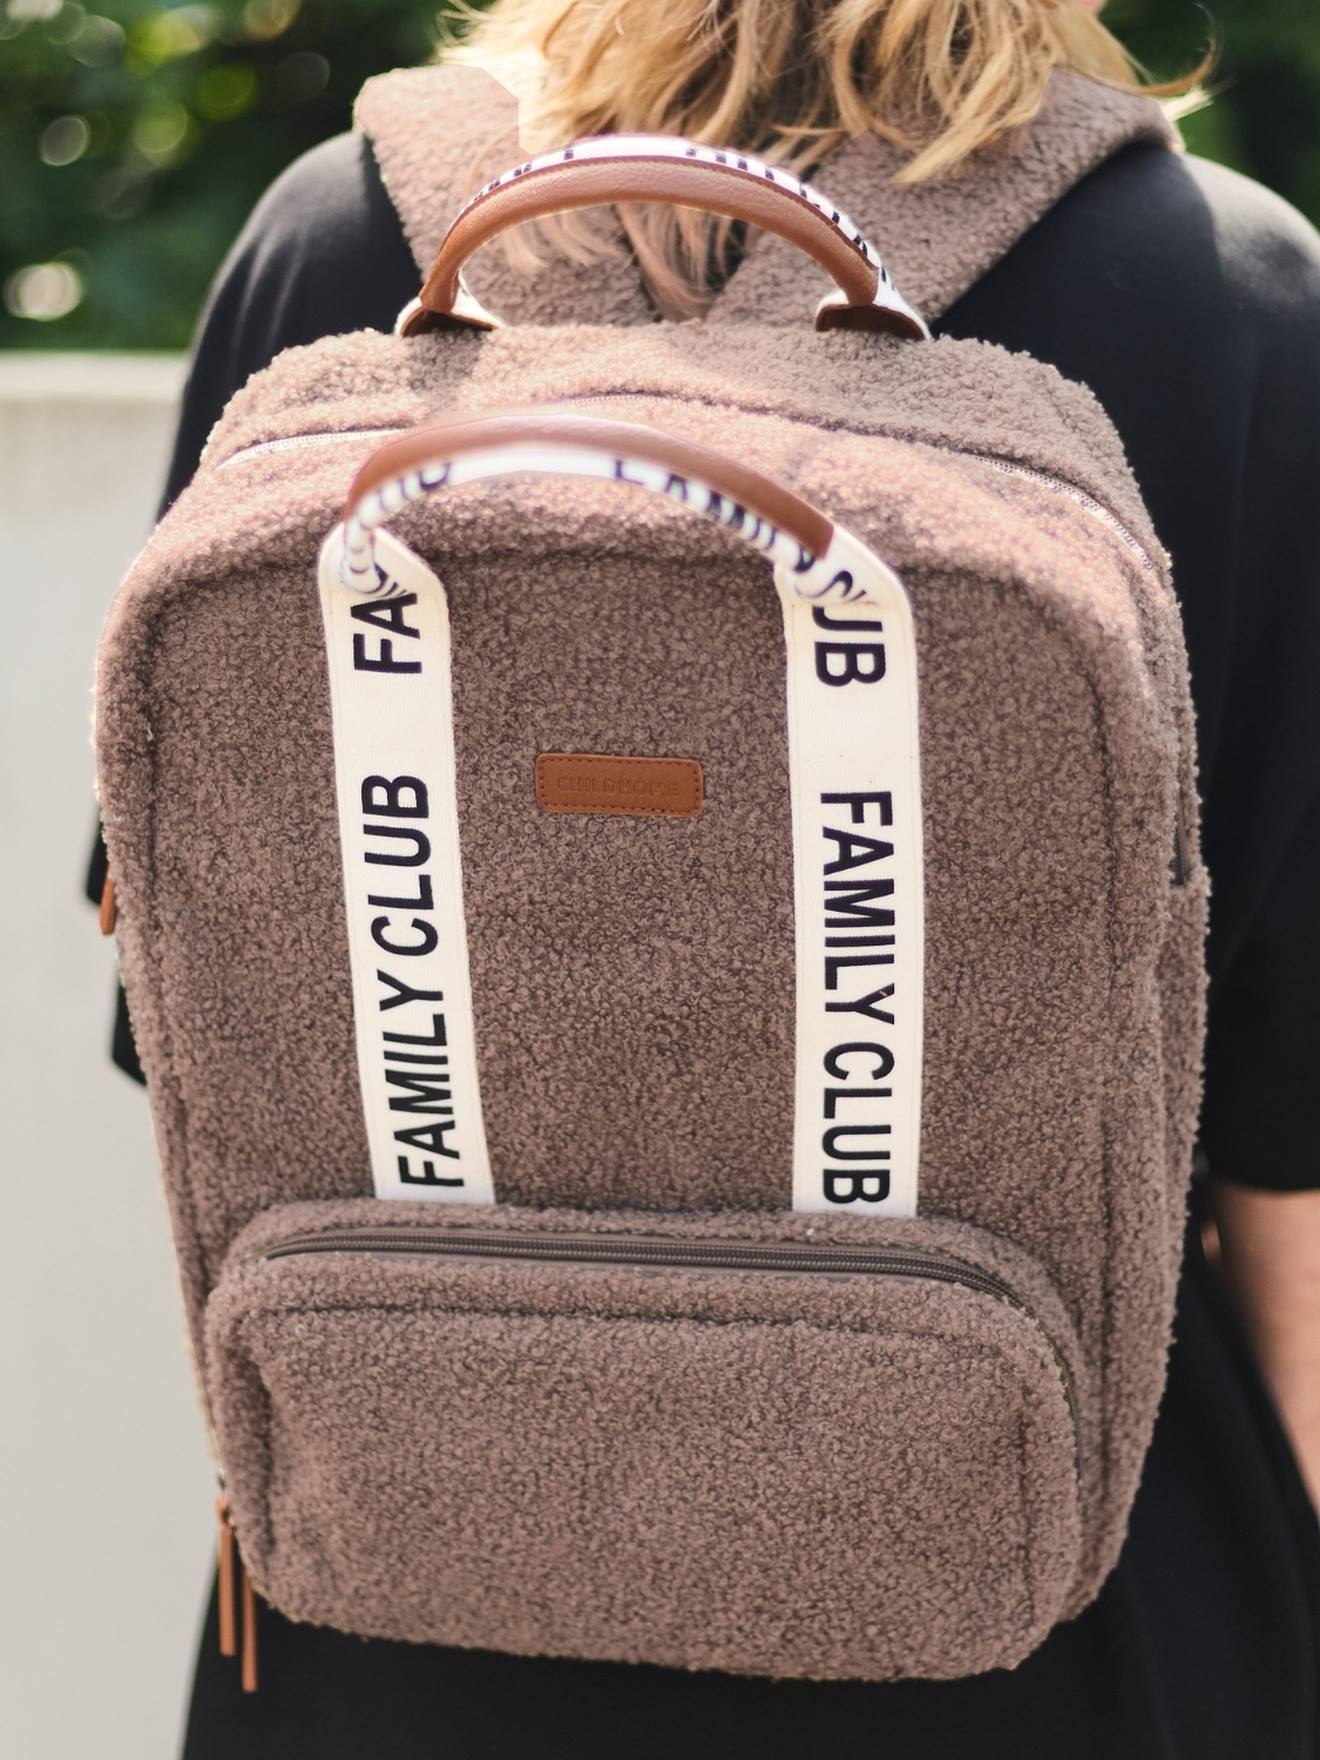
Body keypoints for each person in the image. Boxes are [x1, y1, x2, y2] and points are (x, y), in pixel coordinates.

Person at [90, 1, 1320, 1753]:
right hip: (1043, 1612)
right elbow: (1293, 1161)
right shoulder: (1231, 294)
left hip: (403, 1603)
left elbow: (199, 1033)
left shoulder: (335, 242)